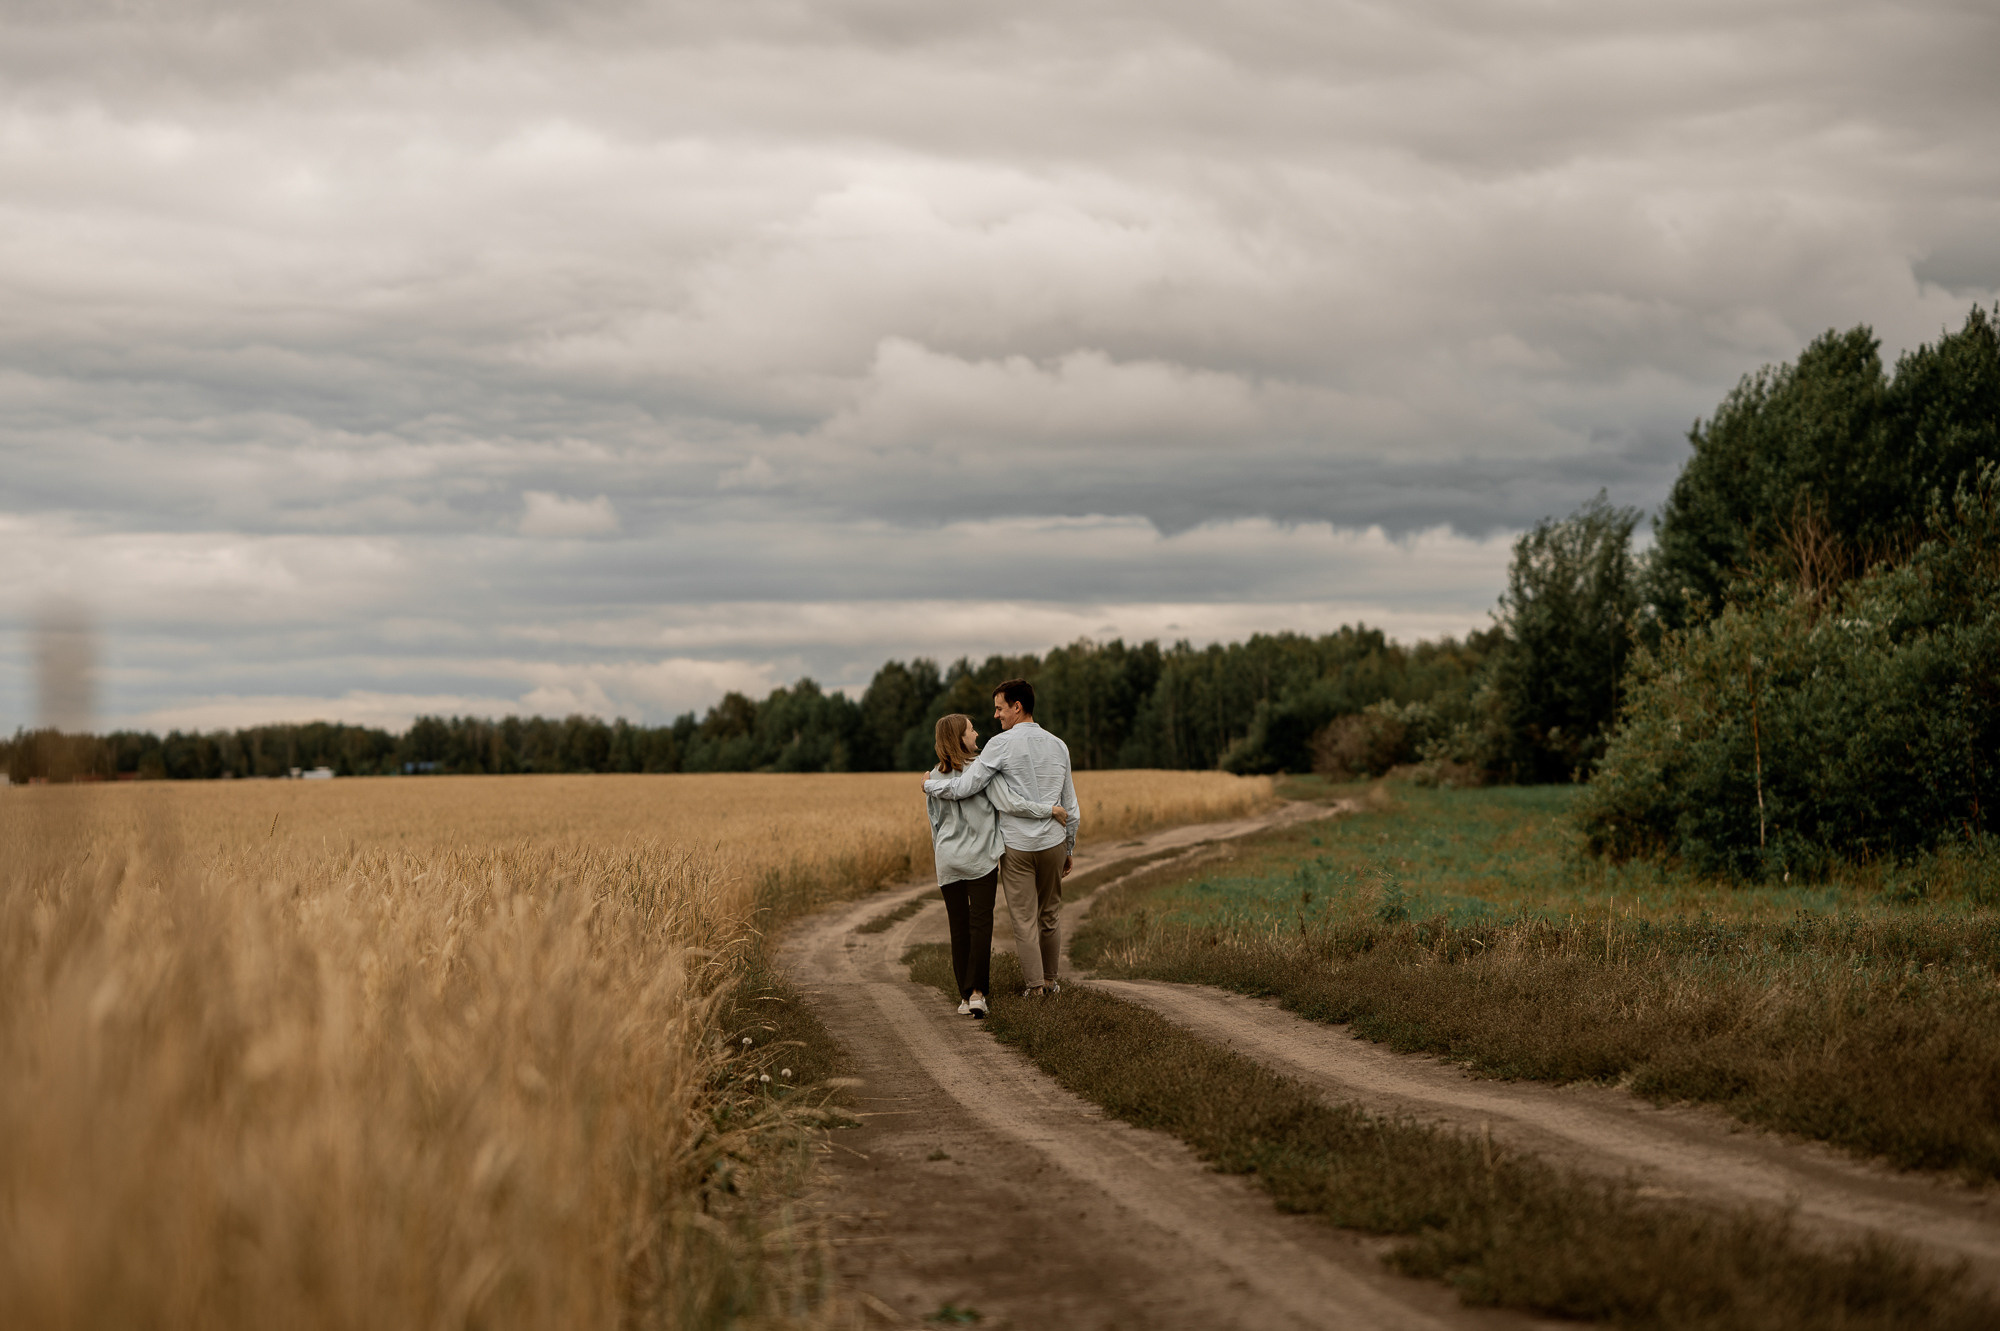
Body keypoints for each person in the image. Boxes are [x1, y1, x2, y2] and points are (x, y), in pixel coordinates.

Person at [923, 679, 1079, 997]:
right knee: (1050, 912)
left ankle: (1034, 988)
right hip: (1053, 842)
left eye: (999, 708)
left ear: (1016, 707)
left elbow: (966, 787)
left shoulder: (999, 745)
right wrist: (1069, 846)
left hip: (1017, 845)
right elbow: (1070, 805)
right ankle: (1051, 981)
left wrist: (929, 786)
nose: (996, 716)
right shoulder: (1058, 745)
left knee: (1022, 917)